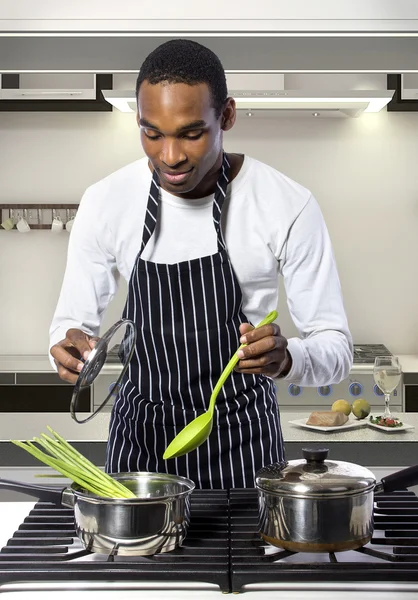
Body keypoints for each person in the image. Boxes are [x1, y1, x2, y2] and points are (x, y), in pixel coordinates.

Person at [49, 39, 353, 489]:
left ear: (226, 115)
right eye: (152, 133)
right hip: (140, 445)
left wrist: (287, 358)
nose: (170, 156)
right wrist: (67, 348)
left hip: (242, 444)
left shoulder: (286, 204)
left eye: (192, 133)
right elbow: (70, 324)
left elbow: (337, 349)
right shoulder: (105, 201)